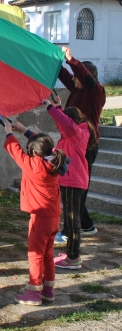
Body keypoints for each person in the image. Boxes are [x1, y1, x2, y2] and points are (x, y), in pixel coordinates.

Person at [3, 121, 69, 305]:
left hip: (40, 217)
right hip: (54, 217)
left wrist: (9, 133)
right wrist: (24, 130)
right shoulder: (54, 161)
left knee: (35, 254)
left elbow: (15, 151)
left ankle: (33, 292)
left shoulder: (34, 166)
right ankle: (48, 290)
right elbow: (43, 144)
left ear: (33, 153)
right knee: (47, 254)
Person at [57, 46, 106, 237]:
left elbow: (84, 77)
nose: (73, 79)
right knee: (74, 188)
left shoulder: (96, 93)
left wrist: (71, 59)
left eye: (76, 76)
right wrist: (55, 59)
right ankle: (85, 224)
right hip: (73, 145)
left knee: (76, 189)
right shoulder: (77, 89)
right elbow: (64, 75)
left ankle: (70, 230)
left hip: (86, 147)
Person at [44, 98, 95, 270]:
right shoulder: (69, 135)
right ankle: (70, 252)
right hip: (68, 181)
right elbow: (63, 124)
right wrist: (58, 107)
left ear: (72, 122)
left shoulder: (78, 134)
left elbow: (66, 123)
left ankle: (74, 257)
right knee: (68, 221)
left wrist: (50, 107)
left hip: (74, 182)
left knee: (73, 222)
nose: (61, 128)